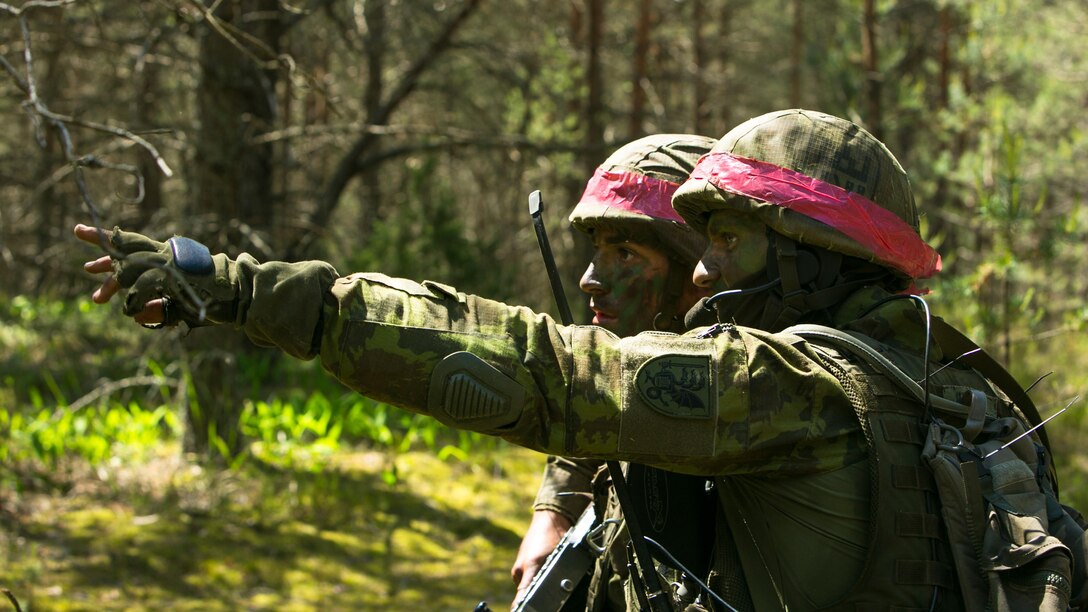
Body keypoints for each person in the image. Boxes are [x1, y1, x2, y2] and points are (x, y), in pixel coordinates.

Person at [75, 109, 1082, 610]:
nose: (702, 274)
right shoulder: (941, 380)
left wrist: (249, 290)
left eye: (725, 242)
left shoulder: (787, 389)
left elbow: (546, 370)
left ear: (811, 252)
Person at [509, 134, 713, 608]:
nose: (588, 279)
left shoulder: (750, 376)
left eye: (625, 254)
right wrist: (554, 512)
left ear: (695, 272)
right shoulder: (622, 349)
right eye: (598, 250)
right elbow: (593, 400)